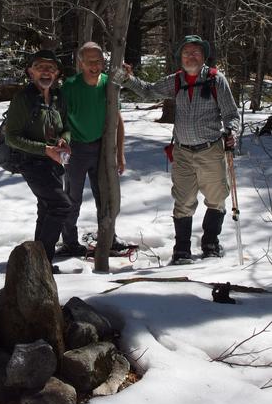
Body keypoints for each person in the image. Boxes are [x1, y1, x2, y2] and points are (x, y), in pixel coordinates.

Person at [117, 35, 240, 264]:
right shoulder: (176, 81)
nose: (190, 56)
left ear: (203, 57)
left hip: (211, 150)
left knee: (216, 198)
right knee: (183, 201)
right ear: (180, 58)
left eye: (195, 52)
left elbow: (232, 114)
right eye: (186, 53)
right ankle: (182, 250)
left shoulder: (215, 80)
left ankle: (211, 243)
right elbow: (148, 91)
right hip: (182, 152)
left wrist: (231, 131)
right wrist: (127, 78)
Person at [57, 41, 126, 257]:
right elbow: (59, 120)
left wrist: (120, 154)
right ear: (81, 63)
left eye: (98, 61)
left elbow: (118, 121)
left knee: (105, 196)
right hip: (75, 149)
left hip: (102, 148)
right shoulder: (70, 87)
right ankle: (69, 242)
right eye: (90, 62)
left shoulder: (108, 84)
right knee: (72, 197)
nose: (95, 66)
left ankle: (107, 238)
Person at [5, 50, 72, 273]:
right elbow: (11, 137)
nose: (46, 72)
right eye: (40, 67)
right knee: (61, 205)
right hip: (31, 162)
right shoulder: (23, 99)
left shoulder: (57, 97)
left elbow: (66, 128)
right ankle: (42, 262)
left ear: (57, 73)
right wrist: (45, 150)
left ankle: (37, 261)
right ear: (30, 72)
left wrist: (63, 140)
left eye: (51, 68)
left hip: (54, 163)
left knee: (46, 209)